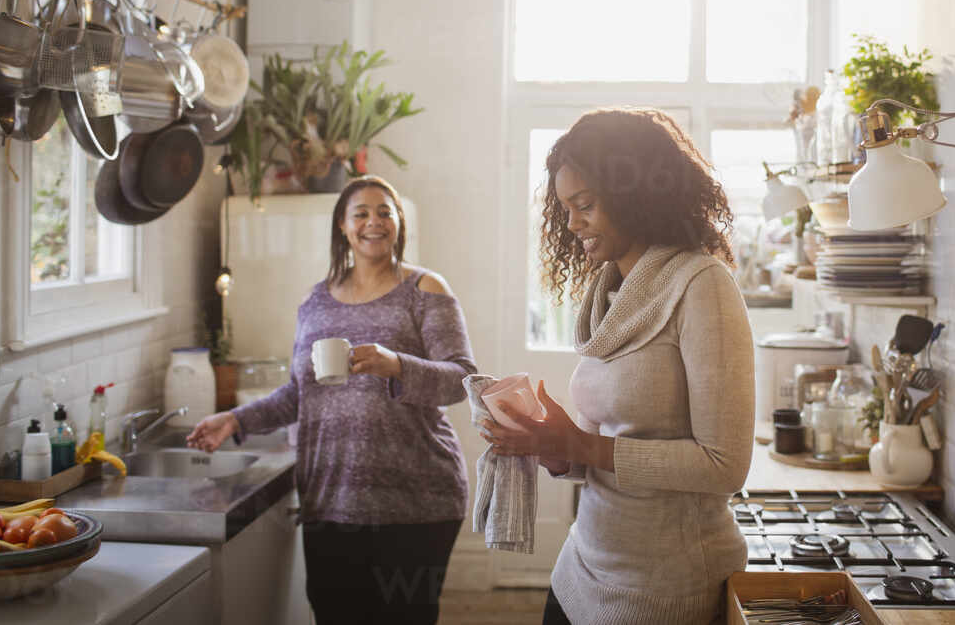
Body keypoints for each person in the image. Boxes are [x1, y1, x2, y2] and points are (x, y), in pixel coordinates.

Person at [480, 108, 755, 625]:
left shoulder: (703, 287)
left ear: (636, 195)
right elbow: (606, 447)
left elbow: (725, 466)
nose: (571, 223)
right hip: (582, 563)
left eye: (584, 205)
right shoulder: (608, 293)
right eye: (563, 208)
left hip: (658, 588)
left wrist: (579, 444)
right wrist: (550, 445)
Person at [187, 175, 477, 625]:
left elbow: (463, 379)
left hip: (416, 499)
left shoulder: (425, 290)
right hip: (331, 498)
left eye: (385, 211)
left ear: (399, 222)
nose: (373, 222)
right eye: (360, 213)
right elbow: (297, 394)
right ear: (343, 226)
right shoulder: (316, 302)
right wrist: (235, 420)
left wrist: (397, 365)